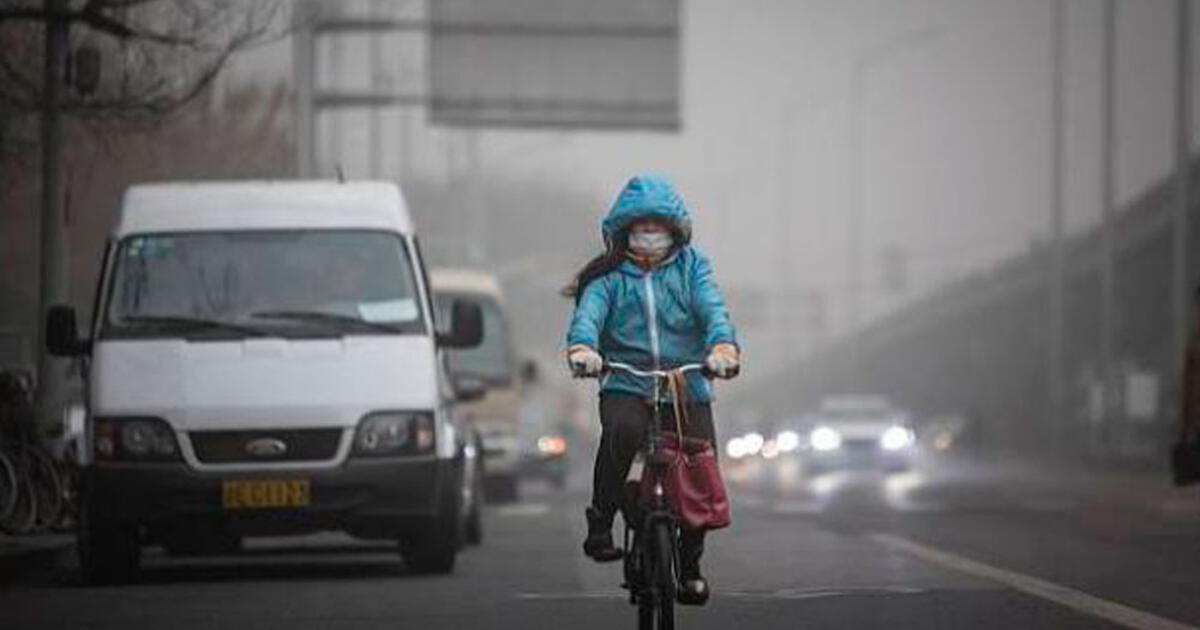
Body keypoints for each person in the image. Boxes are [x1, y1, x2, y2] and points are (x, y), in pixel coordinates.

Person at [563, 174, 740, 606]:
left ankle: (691, 565)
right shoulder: (608, 277)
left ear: (674, 230)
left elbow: (712, 308)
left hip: (687, 384)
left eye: (657, 227)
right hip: (625, 380)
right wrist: (584, 348)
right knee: (621, 433)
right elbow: (589, 316)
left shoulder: (693, 267)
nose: (649, 235)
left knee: (698, 464)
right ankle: (601, 521)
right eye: (640, 228)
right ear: (624, 231)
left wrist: (722, 347)